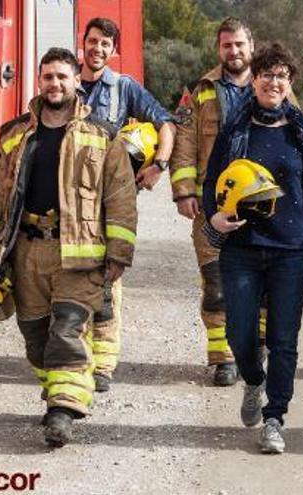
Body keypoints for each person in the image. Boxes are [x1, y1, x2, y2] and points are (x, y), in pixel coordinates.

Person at [0, 48, 138, 447]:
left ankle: (63, 410)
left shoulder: (104, 135)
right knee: (35, 336)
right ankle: (59, 389)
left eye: (62, 76)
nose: (55, 84)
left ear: (78, 80)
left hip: (80, 251)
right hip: (26, 251)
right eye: (48, 77)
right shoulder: (14, 135)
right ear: (39, 82)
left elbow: (122, 198)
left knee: (68, 328)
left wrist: (118, 253)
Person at [202, 43, 303, 454]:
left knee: (284, 338)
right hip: (242, 247)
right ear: (255, 80)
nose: (273, 82)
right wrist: (213, 218)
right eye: (266, 74)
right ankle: (253, 380)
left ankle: (275, 417)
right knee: (239, 333)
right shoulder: (235, 131)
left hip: (294, 250)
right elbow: (212, 183)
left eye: (281, 75)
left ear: (289, 83)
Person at [79, 17, 176, 392]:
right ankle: (76, 353)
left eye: (105, 43)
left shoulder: (124, 88)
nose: (98, 49)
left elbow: (166, 123)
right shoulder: (67, 82)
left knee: (107, 277)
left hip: (111, 201)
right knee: (70, 275)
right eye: (92, 41)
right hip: (71, 201)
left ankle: (102, 365)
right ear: (82, 43)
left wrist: (159, 166)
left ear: (113, 50)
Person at [171, 17, 266, 386]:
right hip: (214, 204)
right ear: (219, 49)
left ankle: (256, 348)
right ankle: (223, 358)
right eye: (227, 45)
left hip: (262, 203)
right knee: (217, 283)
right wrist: (184, 191)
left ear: (251, 47)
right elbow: (184, 142)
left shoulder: (272, 84)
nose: (234, 51)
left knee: (264, 282)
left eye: (239, 44)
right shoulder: (202, 91)